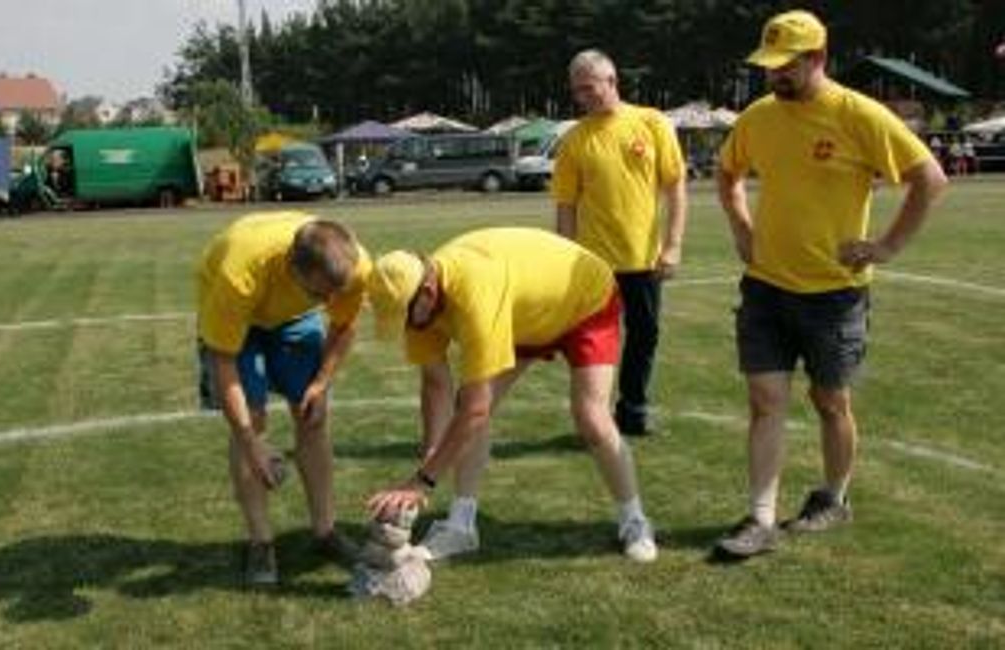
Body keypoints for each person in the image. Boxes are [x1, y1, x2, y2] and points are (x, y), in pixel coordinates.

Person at [714, 10, 947, 558]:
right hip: (766, 286)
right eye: (768, 67)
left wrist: (886, 246)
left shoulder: (858, 115)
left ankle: (834, 499)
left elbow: (929, 179)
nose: (774, 77)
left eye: (786, 67)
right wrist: (742, 226)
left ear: (817, 58)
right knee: (765, 399)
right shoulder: (758, 117)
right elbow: (727, 174)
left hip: (834, 294)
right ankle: (761, 518)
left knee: (829, 401)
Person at [364, 228, 658, 563]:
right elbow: (435, 384)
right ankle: (461, 527)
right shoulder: (418, 308)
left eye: (402, 317)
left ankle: (635, 521)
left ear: (428, 292)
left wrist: (422, 482)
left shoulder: (474, 295)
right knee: (467, 405)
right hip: (524, 316)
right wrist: (428, 464)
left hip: (584, 300)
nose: (403, 326)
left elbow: (475, 410)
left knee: (591, 417)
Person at [195, 211, 369, 584]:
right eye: (321, 293)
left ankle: (325, 532)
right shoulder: (238, 274)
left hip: (295, 316)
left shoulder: (353, 267)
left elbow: (344, 324)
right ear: (292, 265)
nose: (331, 300)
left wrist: (321, 383)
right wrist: (250, 442)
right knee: (252, 421)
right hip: (239, 316)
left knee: (312, 415)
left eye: (336, 292)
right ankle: (261, 543)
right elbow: (222, 361)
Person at [553, 49, 688, 437]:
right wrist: (565, 257)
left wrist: (674, 244)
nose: (582, 97)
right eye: (577, 91)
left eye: (588, 88)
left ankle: (633, 410)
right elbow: (566, 205)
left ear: (611, 81)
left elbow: (676, 188)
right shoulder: (575, 140)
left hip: (644, 260)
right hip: (594, 266)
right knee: (595, 345)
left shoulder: (651, 123)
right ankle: (595, 421)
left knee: (645, 336)